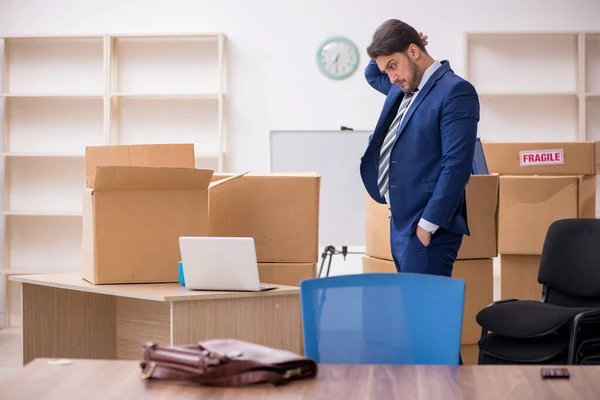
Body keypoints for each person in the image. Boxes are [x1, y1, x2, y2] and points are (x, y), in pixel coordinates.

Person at [360, 19, 480, 277]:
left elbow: (457, 166)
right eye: (386, 69)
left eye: (393, 65)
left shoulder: (455, 91)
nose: (390, 77)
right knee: (411, 311)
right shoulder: (402, 86)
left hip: (427, 227)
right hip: (401, 222)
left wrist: (427, 226)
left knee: (425, 312)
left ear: (413, 51)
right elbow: (372, 74)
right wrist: (388, 50)